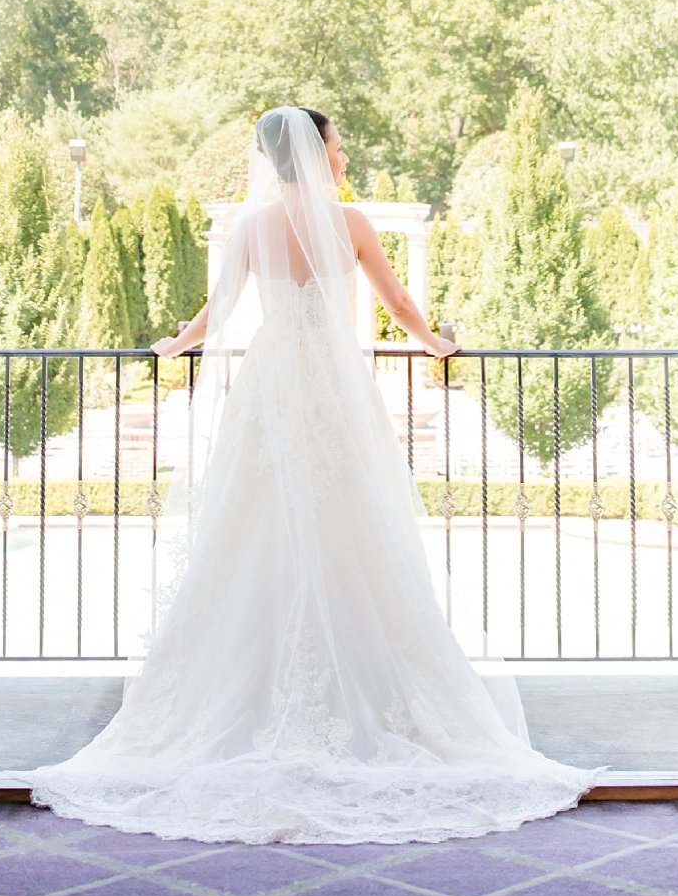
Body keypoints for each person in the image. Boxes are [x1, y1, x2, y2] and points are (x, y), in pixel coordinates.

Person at [30, 105, 597, 845]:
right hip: (330, 379)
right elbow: (396, 302)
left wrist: (175, 341)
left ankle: (256, 687)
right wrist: (435, 344)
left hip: (270, 381)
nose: (342, 152)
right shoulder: (351, 222)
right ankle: (355, 685)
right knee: (352, 521)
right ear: (315, 152)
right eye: (337, 143)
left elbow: (220, 309)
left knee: (253, 524)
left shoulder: (249, 226)